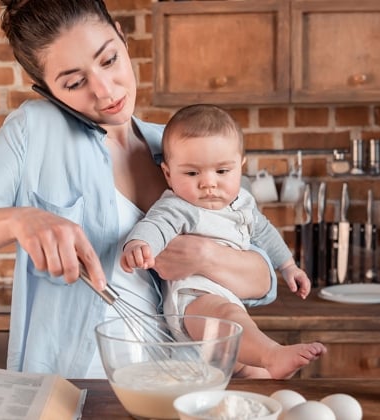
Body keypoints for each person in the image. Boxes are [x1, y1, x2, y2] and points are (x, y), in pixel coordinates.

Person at [0, 0, 277, 379]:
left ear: (121, 36)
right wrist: (19, 220)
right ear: (48, 90)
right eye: (74, 82)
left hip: (184, 386)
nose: (105, 91)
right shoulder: (33, 131)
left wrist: (203, 255)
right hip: (74, 389)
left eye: (109, 60)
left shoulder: (174, 148)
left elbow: (263, 279)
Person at [120, 104, 327, 379]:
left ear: (240, 166)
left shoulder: (243, 203)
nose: (208, 183)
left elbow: (265, 233)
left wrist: (289, 266)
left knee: (251, 367)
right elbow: (155, 226)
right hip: (194, 297)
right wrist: (137, 244)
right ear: (168, 173)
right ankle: (272, 354)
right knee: (227, 316)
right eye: (192, 173)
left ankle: (269, 381)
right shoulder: (179, 206)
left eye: (221, 171)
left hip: (228, 297)